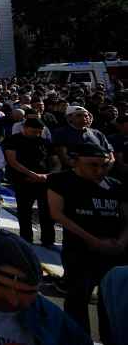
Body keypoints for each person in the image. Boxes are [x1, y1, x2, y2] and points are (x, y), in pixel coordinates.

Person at [47, 137, 127, 340]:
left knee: (111, 301)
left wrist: (121, 242)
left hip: (114, 252)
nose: (99, 170)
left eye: (103, 165)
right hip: (80, 251)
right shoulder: (61, 181)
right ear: (75, 161)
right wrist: (92, 240)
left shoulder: (116, 185)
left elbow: (127, 217)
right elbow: (57, 213)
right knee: (77, 300)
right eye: (92, 165)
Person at [2, 118, 56, 246]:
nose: (36, 134)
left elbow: (55, 161)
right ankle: (26, 239)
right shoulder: (13, 140)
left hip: (44, 181)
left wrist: (47, 176)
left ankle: (48, 239)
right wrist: (32, 175)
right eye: (33, 131)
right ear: (25, 128)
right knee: (24, 211)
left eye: (39, 132)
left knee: (47, 212)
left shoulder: (44, 142)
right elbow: (12, 161)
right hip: (23, 181)